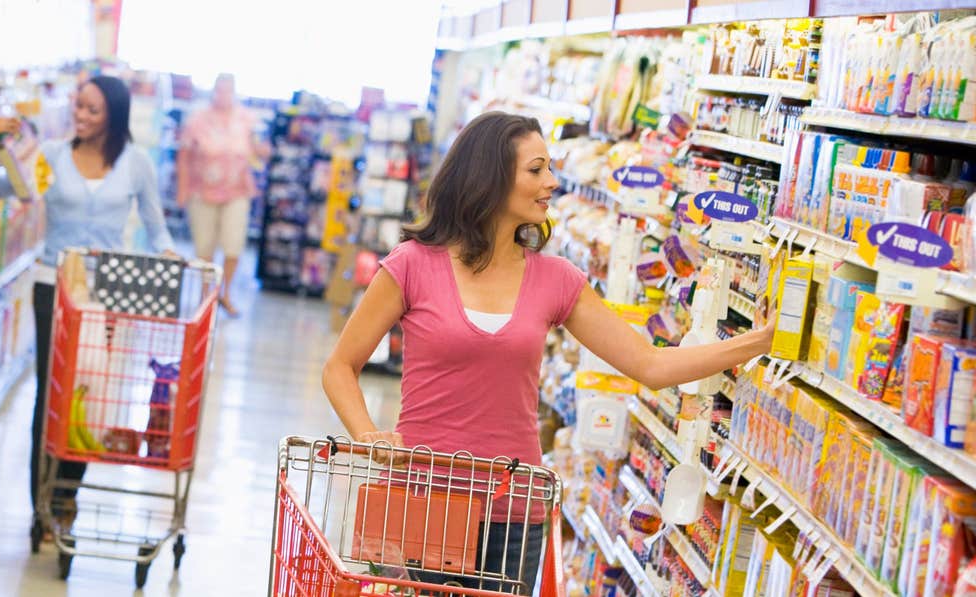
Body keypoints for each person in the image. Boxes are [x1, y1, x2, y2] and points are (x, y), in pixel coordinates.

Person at [321, 111, 774, 594]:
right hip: (426, 499)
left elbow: (651, 365)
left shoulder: (556, 279)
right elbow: (340, 367)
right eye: (536, 170)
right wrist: (369, 436)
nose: (552, 183)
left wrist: (759, 341)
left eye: (551, 169)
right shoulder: (413, 265)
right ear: (490, 178)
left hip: (515, 509)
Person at [0, 75, 177, 526]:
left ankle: (67, 497)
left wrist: (171, 259)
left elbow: (156, 224)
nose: (81, 117)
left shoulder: (135, 163)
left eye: (92, 110)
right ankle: (41, 507)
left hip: (106, 296)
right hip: (55, 287)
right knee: (50, 395)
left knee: (88, 400)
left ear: (114, 116)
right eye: (78, 107)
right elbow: (8, 192)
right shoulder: (52, 156)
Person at [177, 73, 270, 316]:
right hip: (201, 190)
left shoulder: (247, 120)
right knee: (204, 246)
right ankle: (205, 296)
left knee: (233, 244)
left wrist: (262, 150)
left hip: (237, 190)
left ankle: (225, 293)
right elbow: (184, 156)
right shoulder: (198, 119)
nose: (223, 95)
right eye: (219, 90)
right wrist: (182, 189)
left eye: (228, 91)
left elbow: (261, 151)